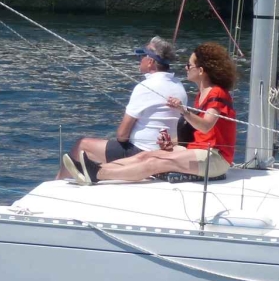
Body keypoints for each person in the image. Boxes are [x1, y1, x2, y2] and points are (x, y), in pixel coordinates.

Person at [69, 43, 238, 185]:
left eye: (189, 65)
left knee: (156, 162)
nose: (186, 68)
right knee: (147, 155)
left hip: (216, 159)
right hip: (201, 152)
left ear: (201, 71)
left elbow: (207, 126)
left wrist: (183, 111)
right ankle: (97, 169)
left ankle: (98, 175)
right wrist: (172, 143)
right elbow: (199, 134)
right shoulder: (202, 95)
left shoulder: (217, 94)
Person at [58, 37, 187, 181]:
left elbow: (122, 135)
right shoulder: (179, 85)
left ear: (150, 61)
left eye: (141, 55)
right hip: (166, 150)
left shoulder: (144, 87)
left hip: (141, 151)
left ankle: (55, 185)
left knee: (81, 144)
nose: (140, 59)